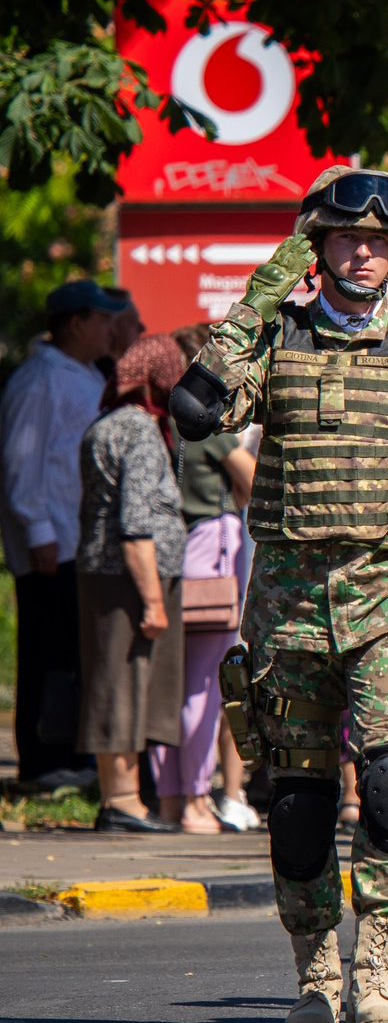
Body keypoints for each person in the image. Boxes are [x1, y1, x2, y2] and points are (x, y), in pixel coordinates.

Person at [169, 167, 388, 1023]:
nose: (361, 252)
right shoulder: (275, 339)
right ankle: (316, 974)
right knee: (302, 801)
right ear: (316, 248)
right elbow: (194, 408)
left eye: (377, 241)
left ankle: (375, 969)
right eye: (346, 238)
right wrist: (256, 302)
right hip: (291, 599)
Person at [5, 278, 121, 786]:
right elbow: (21, 461)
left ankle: (72, 755)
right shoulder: (39, 380)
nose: (110, 329)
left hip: (81, 542)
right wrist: (37, 531)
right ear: (76, 324)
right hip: (54, 543)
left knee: (75, 652)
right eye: (101, 320)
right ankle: (43, 759)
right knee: (46, 652)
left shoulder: (82, 373)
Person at [76, 334, 190, 832]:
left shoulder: (105, 423)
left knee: (111, 682)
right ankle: (124, 800)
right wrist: (152, 601)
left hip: (102, 572)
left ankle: (117, 796)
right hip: (131, 578)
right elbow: (136, 521)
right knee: (126, 683)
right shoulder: (141, 432)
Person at [169, 324, 257, 834]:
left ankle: (176, 797)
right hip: (215, 565)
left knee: (181, 686)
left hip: (181, 558)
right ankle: (194, 800)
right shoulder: (209, 429)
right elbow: (251, 485)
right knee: (206, 688)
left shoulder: (165, 421)